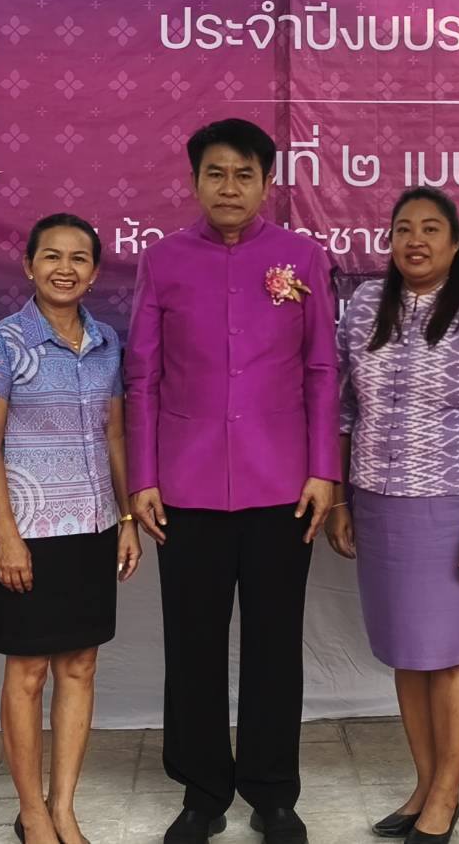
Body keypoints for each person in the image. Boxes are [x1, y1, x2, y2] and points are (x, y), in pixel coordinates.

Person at [124, 118, 339, 844]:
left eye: (244, 174)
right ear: (194, 181)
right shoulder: (163, 261)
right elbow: (143, 375)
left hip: (283, 486)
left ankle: (273, 794)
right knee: (193, 644)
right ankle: (202, 792)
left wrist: (323, 471)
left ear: (266, 183)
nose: (229, 187)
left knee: (275, 644)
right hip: (184, 488)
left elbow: (321, 370)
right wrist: (143, 476)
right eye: (215, 173)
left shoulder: (301, 258)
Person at [328, 187, 459, 844]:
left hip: (450, 506)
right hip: (376, 503)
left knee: (450, 655)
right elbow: (342, 408)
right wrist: (341, 499)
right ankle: (423, 785)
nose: (414, 240)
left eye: (429, 229)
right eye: (402, 229)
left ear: (455, 243)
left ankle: (447, 794)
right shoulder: (365, 307)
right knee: (409, 654)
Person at [0, 213, 142, 844]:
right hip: (29, 532)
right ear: (29, 265)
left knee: (79, 667)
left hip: (93, 528)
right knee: (28, 674)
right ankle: (32, 813)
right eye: (51, 256)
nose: (64, 269)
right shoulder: (1, 342)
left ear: (94, 273)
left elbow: (115, 436)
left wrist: (126, 519)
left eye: (78, 259)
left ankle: (63, 805)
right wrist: (8, 536)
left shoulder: (106, 343)